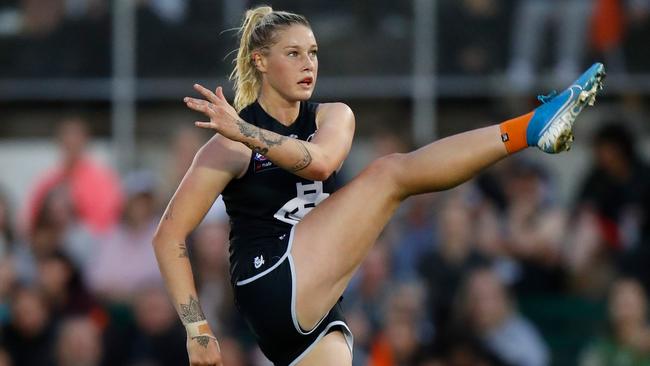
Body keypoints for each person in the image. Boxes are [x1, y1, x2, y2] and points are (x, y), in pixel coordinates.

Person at [152, 6, 605, 366]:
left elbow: (320, 162)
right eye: (293, 54)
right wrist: (197, 329)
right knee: (390, 173)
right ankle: (531, 128)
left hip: (316, 311)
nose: (309, 64)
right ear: (260, 62)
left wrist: (247, 134)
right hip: (270, 282)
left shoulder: (332, 115)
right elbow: (168, 235)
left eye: (313, 53)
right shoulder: (228, 145)